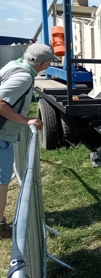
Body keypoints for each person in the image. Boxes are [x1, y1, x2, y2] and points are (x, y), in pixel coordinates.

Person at [0, 43, 56, 239]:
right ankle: (0, 226)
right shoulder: (24, 77)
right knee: (1, 183)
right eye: (50, 60)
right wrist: (25, 120)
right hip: (1, 137)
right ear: (42, 63)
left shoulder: (14, 65)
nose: (51, 63)